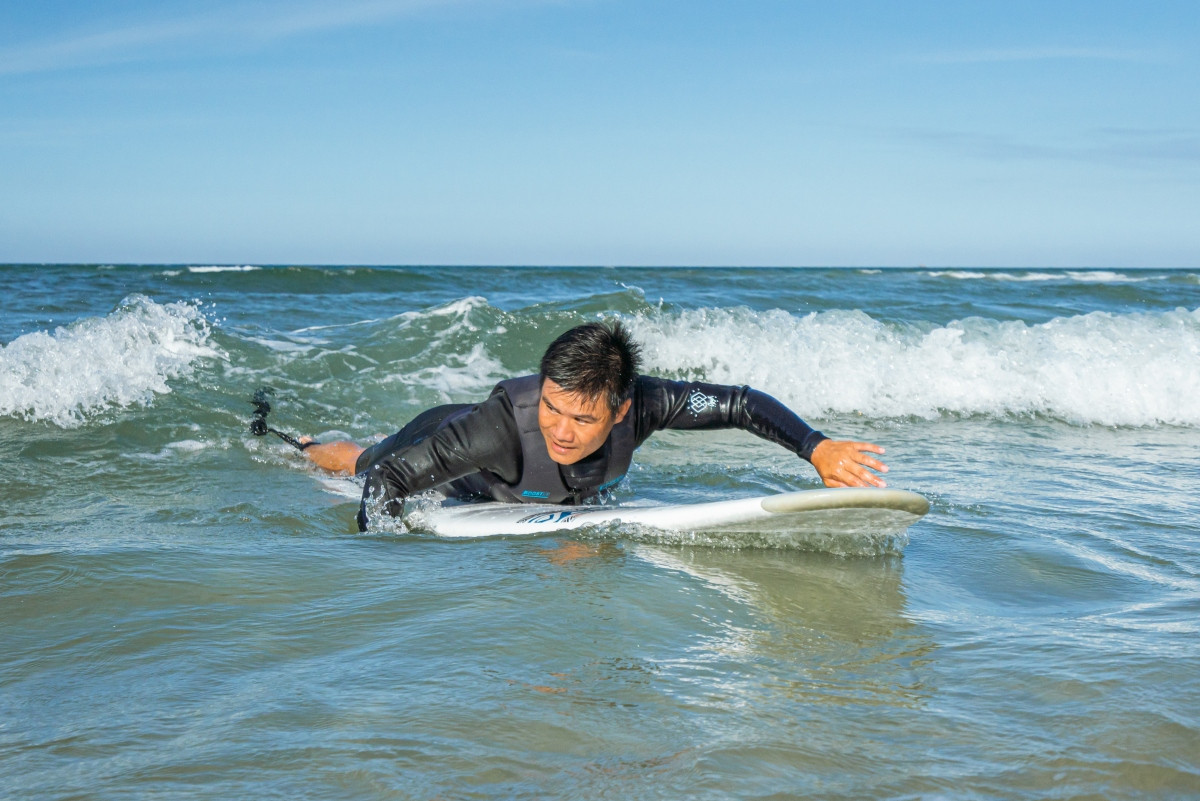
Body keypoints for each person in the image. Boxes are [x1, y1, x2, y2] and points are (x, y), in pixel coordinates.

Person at [302, 321, 889, 531]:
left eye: (583, 418)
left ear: (621, 409)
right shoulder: (498, 430)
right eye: (551, 407)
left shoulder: (649, 401)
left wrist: (816, 447)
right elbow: (390, 480)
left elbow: (738, 403)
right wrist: (382, 546)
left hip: (545, 488)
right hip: (439, 439)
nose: (559, 429)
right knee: (360, 462)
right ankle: (307, 447)